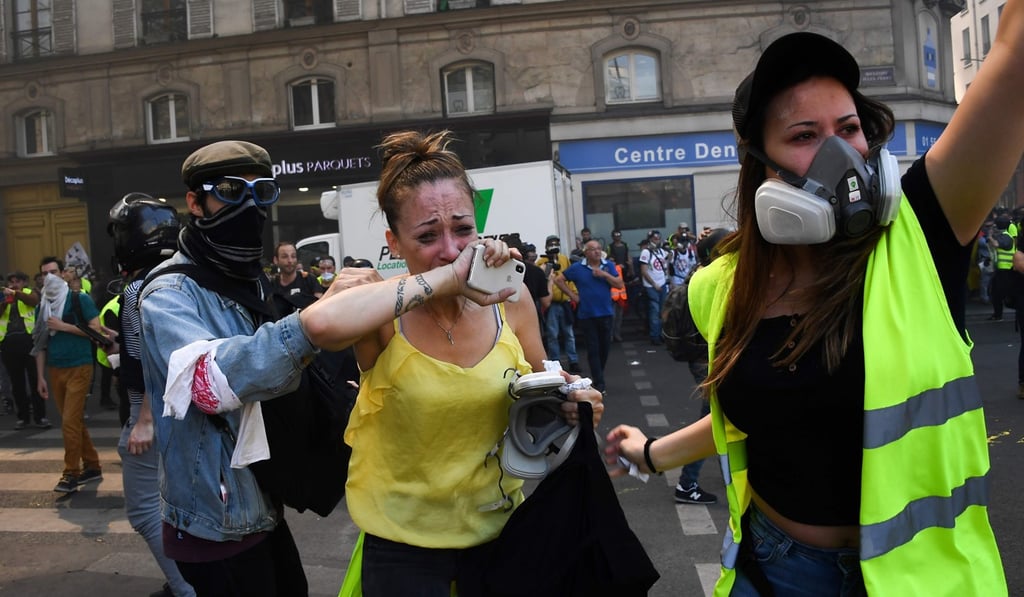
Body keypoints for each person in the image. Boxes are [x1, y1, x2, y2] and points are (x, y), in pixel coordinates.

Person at [606, 20, 1023, 595]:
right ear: (760, 162)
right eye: (804, 135)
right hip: (774, 568)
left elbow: (1015, 54)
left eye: (848, 128)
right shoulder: (720, 287)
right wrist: (650, 453)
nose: (839, 154)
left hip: (921, 579)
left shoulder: (923, 232)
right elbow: (750, 419)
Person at [297, 130, 603, 595]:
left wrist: (575, 401)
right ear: (393, 243)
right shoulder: (382, 311)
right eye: (426, 235)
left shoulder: (510, 298)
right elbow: (319, 327)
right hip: (403, 550)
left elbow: (547, 386)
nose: (450, 249)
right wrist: (446, 281)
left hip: (499, 534)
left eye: (463, 229)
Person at [139, 141, 324, 596]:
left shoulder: (248, 278)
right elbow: (209, 383)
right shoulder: (168, 292)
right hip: (213, 519)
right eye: (229, 190)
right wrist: (313, 326)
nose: (248, 206)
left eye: (261, 192)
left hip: (260, 501)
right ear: (194, 202)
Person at [107, 193, 195, 597]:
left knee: (144, 511)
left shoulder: (135, 290)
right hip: (185, 410)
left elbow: (142, 358)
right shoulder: (182, 276)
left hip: (152, 414)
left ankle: (186, 587)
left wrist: (142, 419)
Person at [34, 259, 105, 493]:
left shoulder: (79, 299)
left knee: (69, 422)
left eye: (54, 272)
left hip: (80, 365)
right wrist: (40, 377)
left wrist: (64, 326)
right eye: (45, 274)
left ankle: (71, 473)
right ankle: (92, 464)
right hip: (55, 368)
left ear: (64, 273)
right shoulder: (42, 305)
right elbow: (40, 343)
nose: (50, 277)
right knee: (72, 421)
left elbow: (96, 330)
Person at [555, 240, 622, 392]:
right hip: (587, 314)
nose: (597, 252)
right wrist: (572, 295)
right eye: (592, 249)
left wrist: (604, 274)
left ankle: (599, 374)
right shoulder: (578, 268)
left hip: (606, 313)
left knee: (604, 348)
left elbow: (619, 284)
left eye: (599, 248)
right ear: (586, 252)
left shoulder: (608, 265)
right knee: (593, 349)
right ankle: (599, 382)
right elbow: (559, 280)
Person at [1, 271, 49, 430]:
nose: (13, 285)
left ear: (24, 283)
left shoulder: (30, 292)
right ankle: (23, 417)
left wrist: (16, 294)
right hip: (8, 344)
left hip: (29, 342)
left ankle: (40, 416)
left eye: (17, 282)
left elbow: (34, 301)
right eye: (11, 282)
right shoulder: (3, 296)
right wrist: (5, 302)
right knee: (17, 383)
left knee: (35, 379)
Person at [535, 234, 580, 373]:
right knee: (552, 335)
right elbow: (542, 280)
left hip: (564, 300)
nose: (554, 246)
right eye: (551, 244)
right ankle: (555, 363)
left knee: (569, 333)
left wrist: (573, 292)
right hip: (552, 302)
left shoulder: (564, 259)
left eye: (556, 244)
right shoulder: (541, 261)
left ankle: (573, 360)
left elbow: (569, 278)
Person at [271, 241, 322, 315]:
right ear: (276, 260)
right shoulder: (272, 284)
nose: (290, 261)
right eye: (285, 257)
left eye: (293, 256)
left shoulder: (309, 280)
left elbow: (321, 306)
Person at [638, 230, 669, 344]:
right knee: (654, 311)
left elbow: (668, 260)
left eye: (658, 238)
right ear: (650, 239)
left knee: (662, 311)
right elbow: (644, 271)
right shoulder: (646, 252)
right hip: (652, 286)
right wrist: (653, 284)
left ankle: (662, 334)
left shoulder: (661, 251)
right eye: (655, 238)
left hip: (662, 283)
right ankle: (655, 336)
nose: (657, 240)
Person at [988, 214, 1015, 320]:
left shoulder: (1006, 236)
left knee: (1000, 293)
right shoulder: (1003, 235)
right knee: (996, 293)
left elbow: (996, 245)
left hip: (1006, 270)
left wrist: (990, 236)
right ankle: (997, 314)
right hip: (1001, 270)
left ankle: (998, 315)